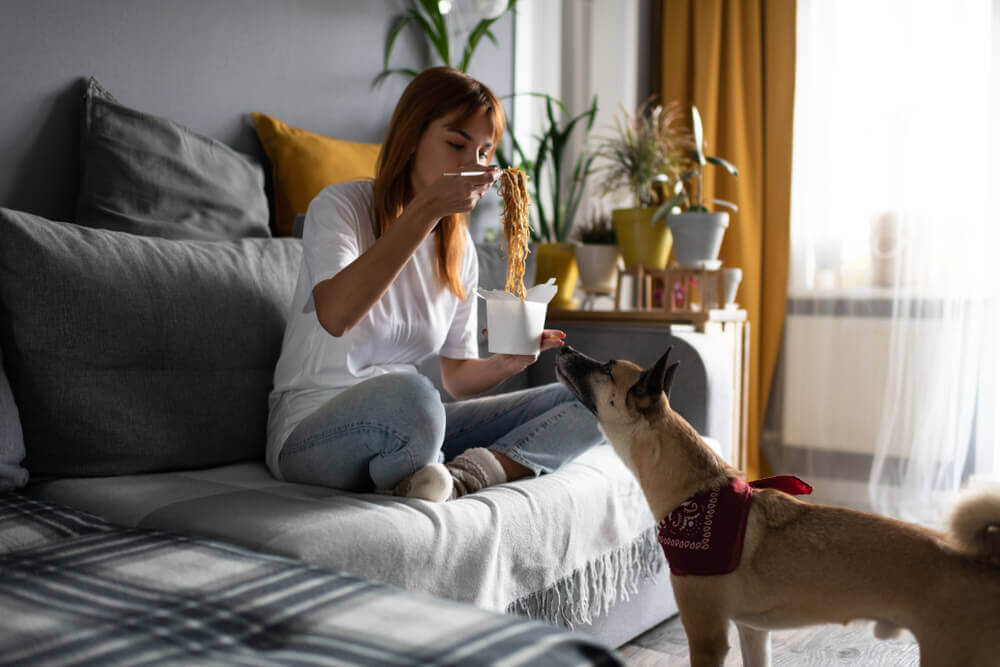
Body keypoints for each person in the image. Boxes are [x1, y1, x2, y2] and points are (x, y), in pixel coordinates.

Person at [266, 67, 605, 502]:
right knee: (413, 397)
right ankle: (423, 467)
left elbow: (457, 377)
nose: (473, 164)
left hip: (413, 424)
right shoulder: (340, 207)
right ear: (410, 137)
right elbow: (336, 316)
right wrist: (425, 210)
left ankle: (462, 476)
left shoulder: (458, 246)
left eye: (485, 153)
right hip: (312, 430)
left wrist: (507, 362)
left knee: (597, 401)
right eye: (457, 144)